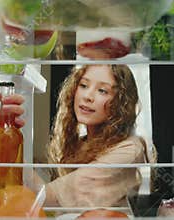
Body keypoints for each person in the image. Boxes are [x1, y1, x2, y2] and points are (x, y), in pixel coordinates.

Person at [39, 64, 154, 207]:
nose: (87, 96)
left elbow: (59, 196)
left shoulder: (131, 148)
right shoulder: (79, 144)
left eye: (102, 91)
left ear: (120, 103)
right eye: (83, 85)